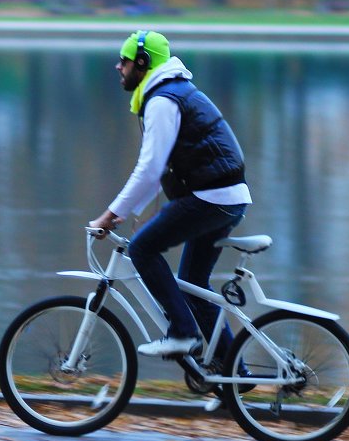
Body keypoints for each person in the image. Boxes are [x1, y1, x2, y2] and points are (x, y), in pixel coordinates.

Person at [89, 30, 251, 359]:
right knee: (192, 283)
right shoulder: (169, 92)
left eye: (124, 60)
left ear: (143, 62)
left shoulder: (163, 100)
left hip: (213, 197)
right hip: (224, 198)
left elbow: (149, 169)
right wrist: (132, 213)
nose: (118, 67)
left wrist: (109, 214)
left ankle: (182, 333)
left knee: (142, 250)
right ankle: (234, 373)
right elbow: (161, 170)